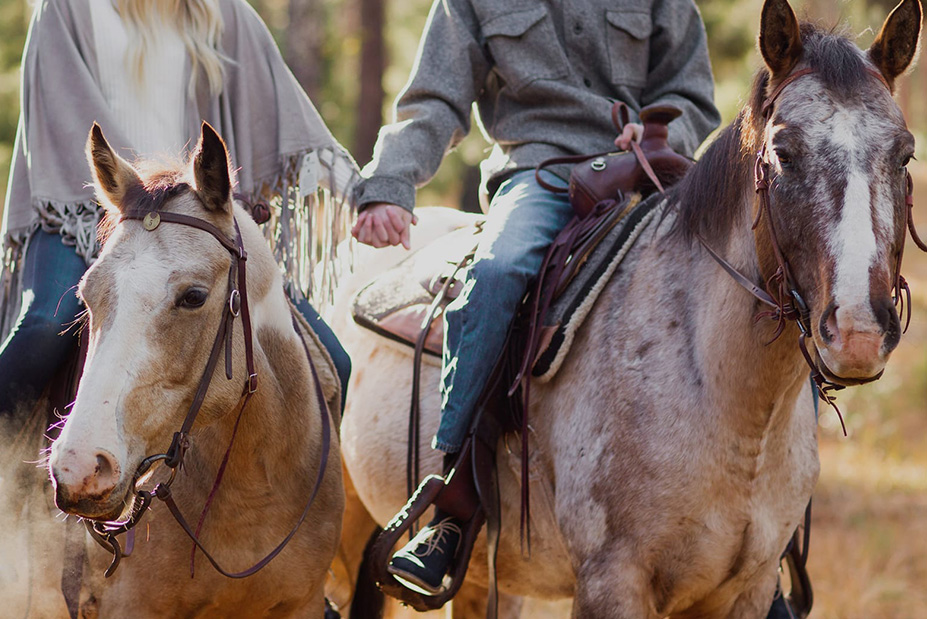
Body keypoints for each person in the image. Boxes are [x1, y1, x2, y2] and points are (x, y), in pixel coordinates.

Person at [351, 0, 721, 597]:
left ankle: (769, 542)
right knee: (496, 273)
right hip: (540, 174)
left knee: (748, 274)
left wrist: (660, 134)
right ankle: (454, 508)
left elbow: (692, 92)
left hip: (649, 172)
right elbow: (435, 101)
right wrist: (390, 183)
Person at [0, 0, 356, 420]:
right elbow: (59, 113)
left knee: (332, 362)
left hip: (194, 221)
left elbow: (290, 112)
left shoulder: (222, 12)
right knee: (45, 322)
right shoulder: (68, 8)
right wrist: (133, 189)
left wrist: (365, 193)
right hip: (87, 208)